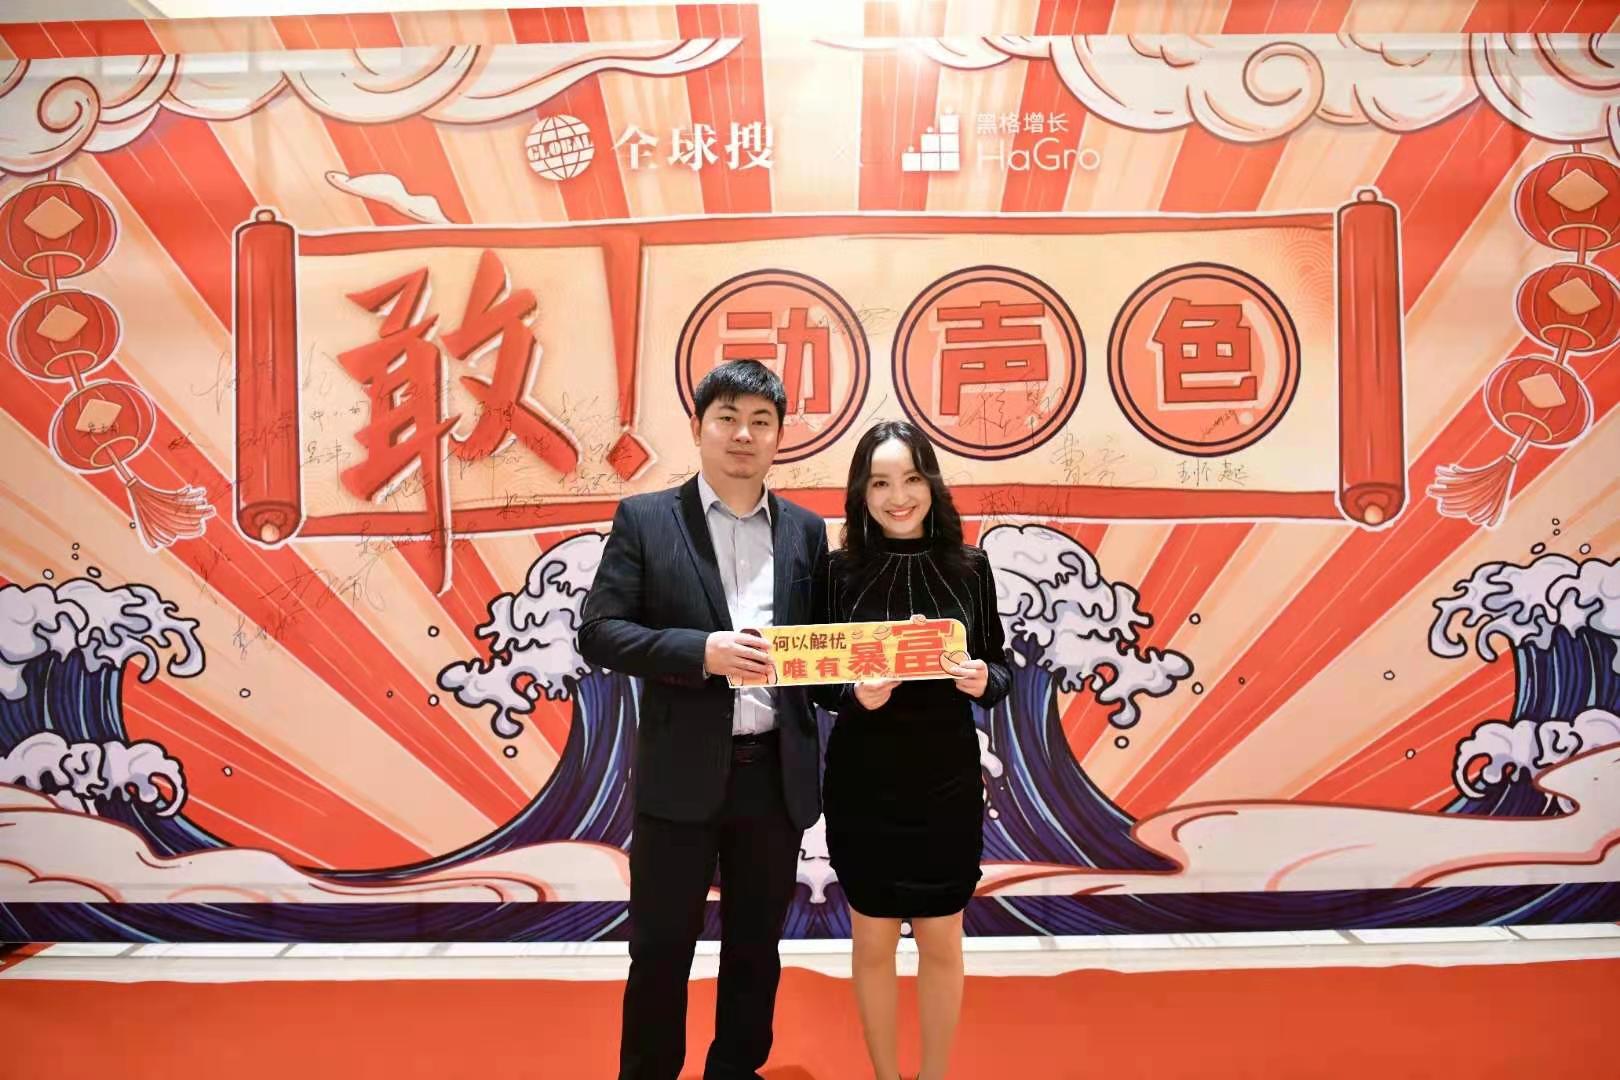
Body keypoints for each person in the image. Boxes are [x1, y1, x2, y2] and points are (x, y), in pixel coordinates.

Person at [578, 359, 828, 1080]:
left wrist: (863, 684)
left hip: (773, 778)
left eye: (761, 421)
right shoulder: (647, 520)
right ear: (698, 427)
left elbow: (819, 652)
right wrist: (701, 652)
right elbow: (599, 633)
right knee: (660, 950)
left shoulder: (806, 532)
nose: (743, 434)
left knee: (756, 950)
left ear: (779, 436)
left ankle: (735, 1071)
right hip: (680, 776)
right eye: (728, 418)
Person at [811, 419, 1012, 1080]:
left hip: (945, 779)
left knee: (942, 935)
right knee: (871, 937)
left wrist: (984, 680)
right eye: (880, 484)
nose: (898, 497)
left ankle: (932, 1075)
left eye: (911, 479)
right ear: (861, 493)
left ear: (931, 484)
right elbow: (816, 680)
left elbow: (1001, 665)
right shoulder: (838, 572)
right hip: (864, 781)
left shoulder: (970, 567)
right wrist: (853, 693)